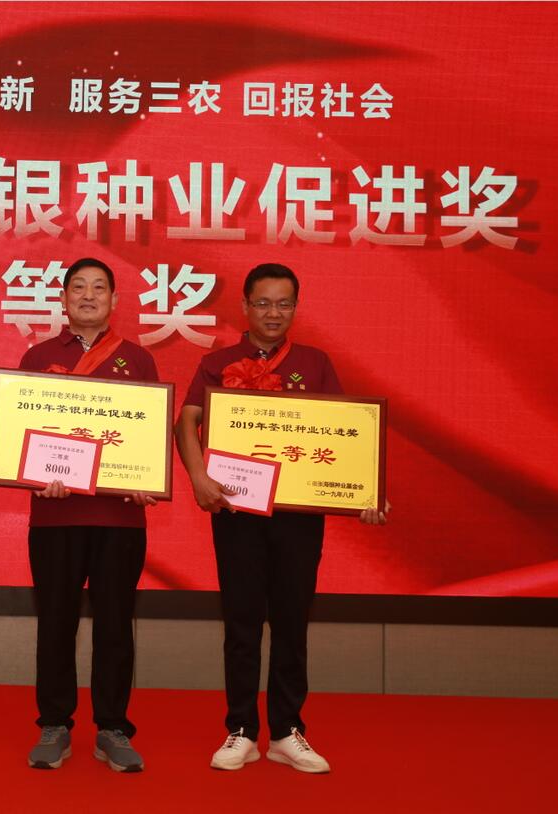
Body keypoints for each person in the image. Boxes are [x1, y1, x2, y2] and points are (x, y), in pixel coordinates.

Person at [174, 262, 388, 774]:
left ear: (296, 307)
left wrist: (366, 494)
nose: (274, 313)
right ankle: (242, 730)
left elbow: (345, 434)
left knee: (292, 621)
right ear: (245, 306)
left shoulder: (315, 362)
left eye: (284, 303)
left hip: (298, 516)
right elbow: (187, 422)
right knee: (242, 621)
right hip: (237, 509)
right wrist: (199, 478)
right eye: (264, 303)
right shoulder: (217, 362)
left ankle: (288, 730)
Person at [18, 258, 159, 774]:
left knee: (116, 626)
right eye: (78, 286)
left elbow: (149, 435)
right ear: (62, 298)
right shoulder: (36, 357)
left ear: (115, 300)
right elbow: (20, 432)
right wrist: (36, 472)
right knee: (55, 623)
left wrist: (147, 476)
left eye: (99, 287)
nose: (88, 295)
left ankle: (113, 727)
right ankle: (54, 724)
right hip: (55, 515)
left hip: (120, 519)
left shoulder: (138, 360)